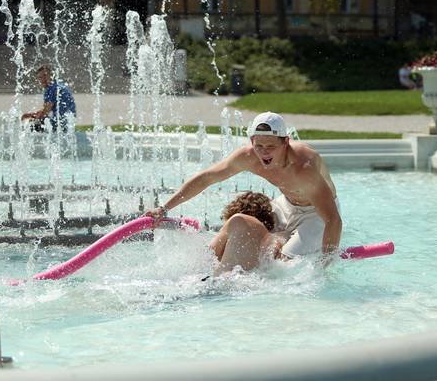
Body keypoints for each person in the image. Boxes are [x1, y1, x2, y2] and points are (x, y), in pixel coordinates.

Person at [146, 111, 342, 274]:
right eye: (259, 146)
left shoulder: (303, 168)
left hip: (316, 212)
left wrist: (326, 267)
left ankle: (284, 240)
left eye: (271, 146)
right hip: (287, 203)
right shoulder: (248, 157)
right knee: (244, 230)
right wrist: (164, 208)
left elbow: (333, 219)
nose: (264, 153)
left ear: (286, 142)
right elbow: (206, 178)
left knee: (281, 267)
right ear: (251, 141)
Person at [21, 64, 76, 132]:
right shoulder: (58, 84)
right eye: (40, 77)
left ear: (51, 75)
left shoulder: (53, 88)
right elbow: (46, 110)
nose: (43, 79)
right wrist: (32, 115)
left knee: (29, 127)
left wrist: (32, 117)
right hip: (67, 123)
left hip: (59, 124)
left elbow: (46, 111)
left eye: (45, 75)